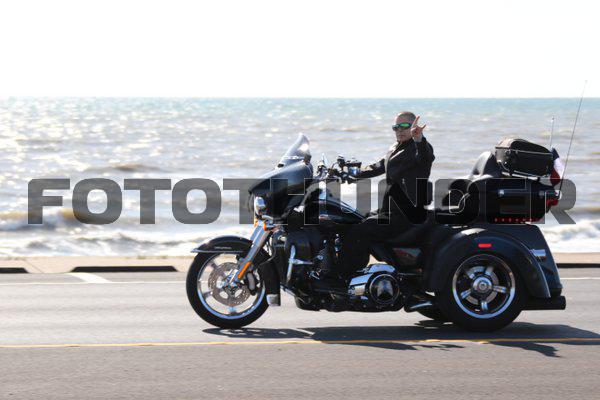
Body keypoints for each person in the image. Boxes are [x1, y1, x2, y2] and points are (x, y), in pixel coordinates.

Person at [336, 111, 435, 277]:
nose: (399, 130)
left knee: (360, 231)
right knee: (349, 220)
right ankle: (346, 270)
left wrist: (419, 139)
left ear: (414, 127)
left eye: (405, 126)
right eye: (396, 127)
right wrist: (349, 173)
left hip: (404, 215)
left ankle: (343, 276)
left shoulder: (418, 148)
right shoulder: (395, 148)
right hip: (388, 210)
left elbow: (425, 158)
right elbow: (378, 166)